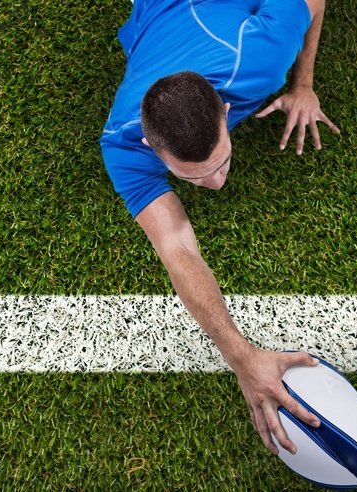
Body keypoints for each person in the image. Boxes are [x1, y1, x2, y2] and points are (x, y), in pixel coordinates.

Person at [99, 0, 340, 456]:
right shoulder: (123, 144)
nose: (214, 183)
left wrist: (303, 84)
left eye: (220, 162)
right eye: (191, 178)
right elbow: (176, 248)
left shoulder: (260, 57)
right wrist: (241, 357)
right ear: (151, 145)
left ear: (226, 111)